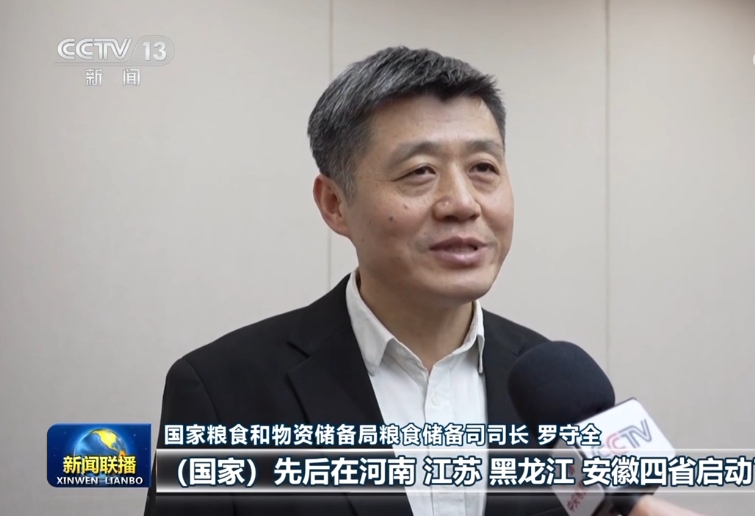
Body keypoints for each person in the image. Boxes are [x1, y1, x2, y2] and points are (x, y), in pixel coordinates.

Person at [144, 46, 704, 516]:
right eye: (420, 172)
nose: (462, 203)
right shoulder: (221, 392)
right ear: (335, 204)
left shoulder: (555, 394)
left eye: (483, 168)